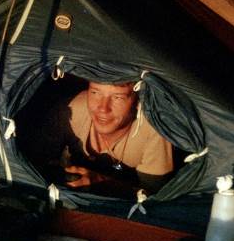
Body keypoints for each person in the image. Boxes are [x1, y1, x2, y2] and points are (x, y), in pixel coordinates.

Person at [27, 79, 173, 198]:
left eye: (117, 97)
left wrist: (104, 184)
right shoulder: (71, 109)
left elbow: (153, 198)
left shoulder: (153, 129)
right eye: (95, 92)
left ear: (137, 101)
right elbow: (33, 163)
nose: (103, 108)